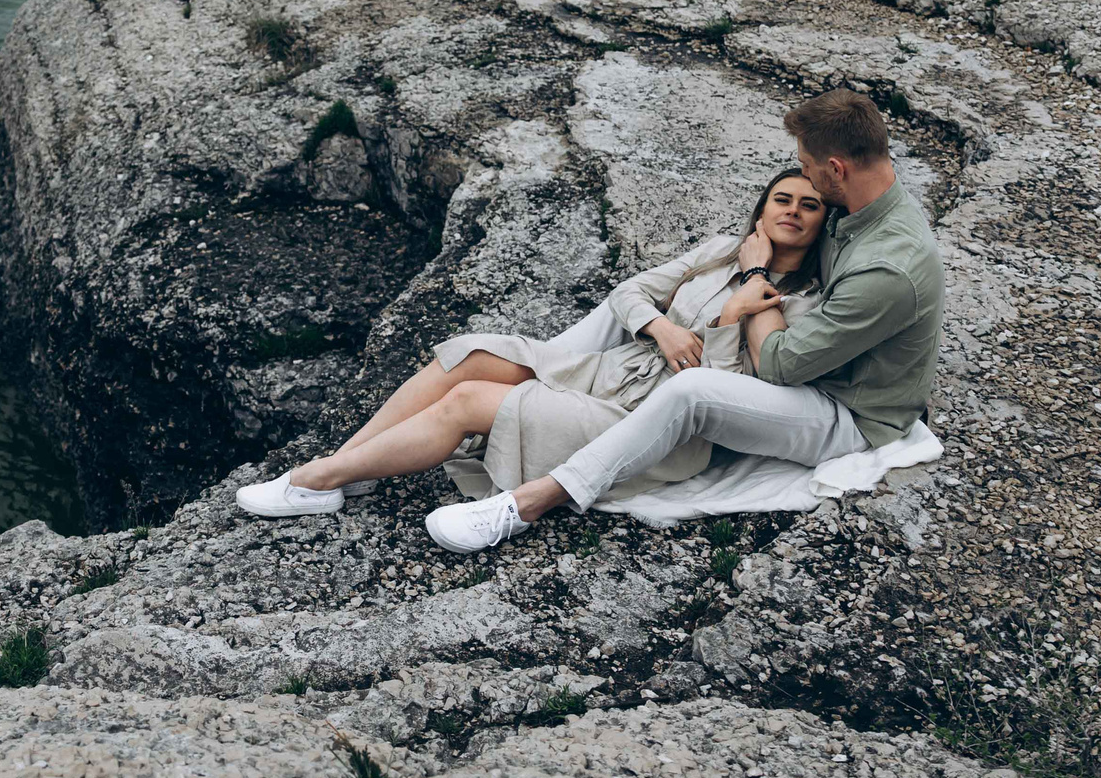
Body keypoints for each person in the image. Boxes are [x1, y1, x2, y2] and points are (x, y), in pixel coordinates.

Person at [422, 87, 945, 552]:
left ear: (837, 169)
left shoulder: (887, 268)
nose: (801, 178)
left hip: (846, 413)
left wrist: (755, 275)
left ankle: (531, 502)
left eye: (806, 167)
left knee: (693, 390)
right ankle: (542, 370)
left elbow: (781, 365)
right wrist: (666, 320)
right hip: (813, 354)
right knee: (630, 307)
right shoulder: (858, 205)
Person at [234, 165, 832, 518]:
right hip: (614, 370)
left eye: (809, 206)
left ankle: (316, 480)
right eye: (782, 199)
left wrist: (733, 311)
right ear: (761, 210)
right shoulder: (721, 250)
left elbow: (728, 396)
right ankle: (345, 466)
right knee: (469, 353)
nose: (793, 212)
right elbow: (629, 292)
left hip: (653, 420)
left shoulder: (801, 302)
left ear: (823, 224)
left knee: (468, 402)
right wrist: (660, 325)